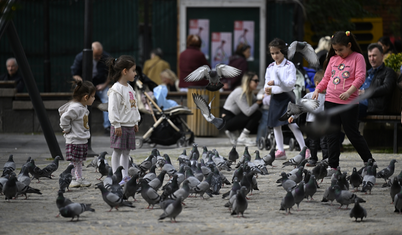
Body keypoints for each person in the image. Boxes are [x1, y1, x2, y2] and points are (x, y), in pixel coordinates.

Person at [312, 31, 375, 176]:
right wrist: (318, 89)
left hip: (349, 103)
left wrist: (349, 92)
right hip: (330, 101)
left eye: (341, 49)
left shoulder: (357, 58)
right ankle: (333, 166)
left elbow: (360, 77)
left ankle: (369, 161)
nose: (338, 53)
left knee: (352, 133)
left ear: (349, 45)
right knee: (332, 135)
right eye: (335, 50)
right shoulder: (333, 59)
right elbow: (327, 77)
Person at [264, 38, 309, 160]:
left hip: (287, 97)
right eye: (272, 53)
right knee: (275, 125)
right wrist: (267, 90)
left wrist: (275, 84)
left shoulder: (290, 66)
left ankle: (304, 149)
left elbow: (290, 84)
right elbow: (266, 82)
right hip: (275, 98)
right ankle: (281, 150)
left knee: (291, 123)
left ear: (283, 51)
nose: (275, 56)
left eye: (277, 52)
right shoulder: (270, 67)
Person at [107, 55, 141, 184]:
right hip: (120, 126)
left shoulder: (130, 88)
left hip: (129, 125)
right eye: (133, 70)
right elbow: (113, 109)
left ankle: (125, 174)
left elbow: (134, 106)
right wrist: (116, 124)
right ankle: (116, 175)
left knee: (126, 152)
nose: (135, 73)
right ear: (125, 71)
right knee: (117, 150)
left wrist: (135, 121)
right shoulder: (116, 89)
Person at [59, 80, 96, 188]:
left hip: (81, 139)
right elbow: (64, 118)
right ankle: (70, 179)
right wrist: (67, 129)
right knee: (74, 161)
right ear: (86, 97)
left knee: (79, 161)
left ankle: (79, 178)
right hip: (74, 139)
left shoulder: (82, 107)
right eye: (93, 96)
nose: (94, 99)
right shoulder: (75, 108)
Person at [288, 70, 328, 167]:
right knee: (312, 142)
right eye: (326, 84)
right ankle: (313, 159)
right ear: (318, 84)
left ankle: (326, 159)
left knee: (324, 142)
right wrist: (293, 116)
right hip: (311, 123)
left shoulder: (329, 96)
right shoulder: (310, 96)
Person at [71, 41, 111, 135]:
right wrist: (84, 84)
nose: (99, 58)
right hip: (85, 83)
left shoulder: (106, 57)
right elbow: (75, 74)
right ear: (90, 53)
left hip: (100, 85)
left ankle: (108, 127)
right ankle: (78, 125)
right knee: (78, 98)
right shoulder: (80, 57)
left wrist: (104, 85)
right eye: (97, 55)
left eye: (100, 55)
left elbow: (111, 73)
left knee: (108, 97)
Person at [222, 72, 262, 146]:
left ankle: (237, 135)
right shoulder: (240, 92)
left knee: (257, 117)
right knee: (257, 114)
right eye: (255, 81)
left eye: (258, 80)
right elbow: (248, 112)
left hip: (234, 118)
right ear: (248, 81)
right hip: (228, 121)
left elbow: (254, 104)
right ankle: (242, 137)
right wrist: (258, 103)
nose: (258, 82)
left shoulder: (250, 93)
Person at [358, 43, 396, 119]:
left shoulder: (388, 72)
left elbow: (387, 88)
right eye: (369, 56)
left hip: (370, 107)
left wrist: (365, 92)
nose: (372, 59)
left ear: (382, 56)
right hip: (357, 103)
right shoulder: (366, 73)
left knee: (347, 109)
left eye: (374, 55)